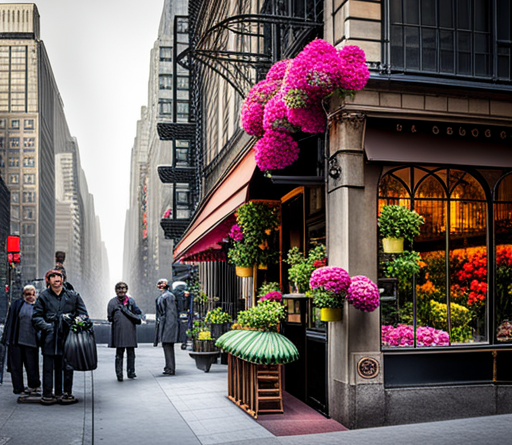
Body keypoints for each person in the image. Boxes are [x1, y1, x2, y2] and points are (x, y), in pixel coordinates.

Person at [32, 269, 88, 405]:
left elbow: (83, 314)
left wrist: (75, 322)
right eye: (53, 276)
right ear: (48, 280)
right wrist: (48, 327)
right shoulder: (43, 297)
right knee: (48, 367)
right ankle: (47, 394)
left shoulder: (73, 295)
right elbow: (36, 317)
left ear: (63, 279)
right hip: (50, 337)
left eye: (59, 276)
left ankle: (65, 393)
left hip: (68, 336)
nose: (56, 278)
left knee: (67, 366)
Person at [1, 285, 41, 397]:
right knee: (16, 366)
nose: (30, 296)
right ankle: (18, 388)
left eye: (32, 294)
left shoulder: (39, 306)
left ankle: (33, 386)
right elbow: (10, 322)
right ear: (23, 295)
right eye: (28, 294)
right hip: (16, 340)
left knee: (32, 365)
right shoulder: (17, 305)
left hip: (32, 341)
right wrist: (6, 338)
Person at [107, 282, 142, 381]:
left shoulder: (131, 301)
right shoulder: (112, 303)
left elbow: (138, 313)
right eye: (119, 288)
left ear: (126, 290)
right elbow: (109, 317)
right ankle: (119, 374)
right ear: (115, 290)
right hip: (118, 331)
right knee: (119, 354)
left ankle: (131, 372)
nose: (121, 290)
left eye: (123, 288)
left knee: (131, 353)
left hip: (130, 330)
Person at [154, 278, 179, 375]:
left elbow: (171, 313)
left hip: (168, 324)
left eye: (161, 283)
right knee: (166, 346)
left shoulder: (168, 296)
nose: (159, 285)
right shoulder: (164, 296)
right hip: (164, 324)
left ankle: (170, 368)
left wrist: (169, 328)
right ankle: (168, 366)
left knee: (168, 345)